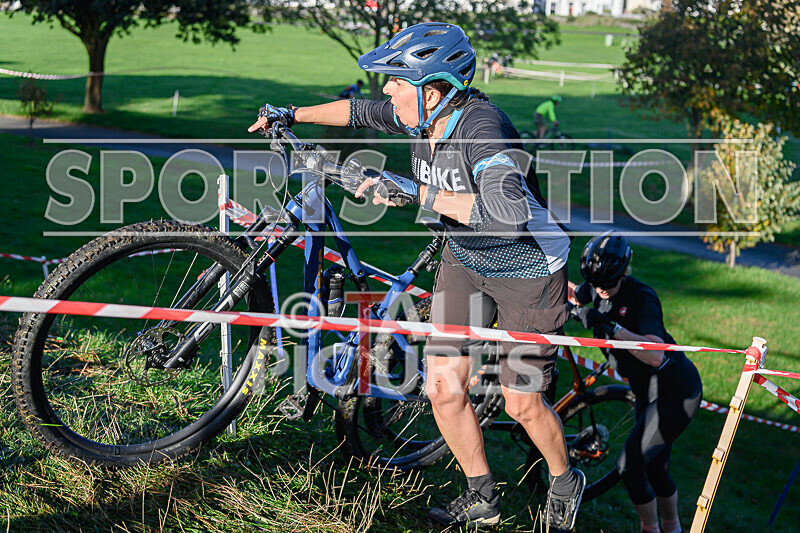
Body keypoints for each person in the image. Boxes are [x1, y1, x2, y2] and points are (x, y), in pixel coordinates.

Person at [248, 21, 585, 532]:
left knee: (522, 402)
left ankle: (564, 479)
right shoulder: (422, 115)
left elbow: (508, 214)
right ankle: (482, 497)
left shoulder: (482, 130)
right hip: (466, 260)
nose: (387, 89)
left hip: (529, 273)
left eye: (396, 81)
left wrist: (413, 191)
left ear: (432, 90)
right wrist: (291, 113)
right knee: (443, 388)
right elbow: (358, 111)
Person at [568, 231, 703, 533]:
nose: (601, 290)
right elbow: (575, 294)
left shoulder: (642, 298)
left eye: (607, 284)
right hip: (645, 390)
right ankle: (672, 527)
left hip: (676, 389)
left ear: (624, 272)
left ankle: (651, 528)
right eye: (595, 284)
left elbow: (655, 355)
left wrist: (611, 327)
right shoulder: (598, 285)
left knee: (630, 467)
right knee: (656, 468)